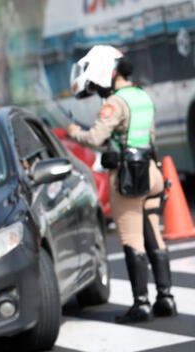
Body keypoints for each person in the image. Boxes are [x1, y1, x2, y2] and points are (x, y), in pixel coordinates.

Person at [67, 45, 177, 323]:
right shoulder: (141, 95)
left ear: (106, 72)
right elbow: (149, 137)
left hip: (128, 177)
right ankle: (166, 298)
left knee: (131, 240)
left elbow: (94, 138)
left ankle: (141, 304)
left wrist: (75, 132)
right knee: (155, 235)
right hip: (151, 171)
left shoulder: (114, 103)